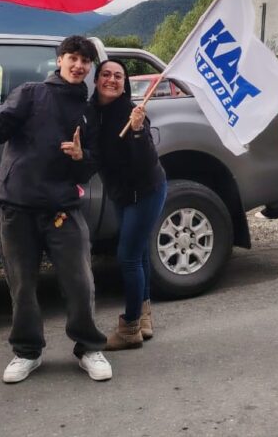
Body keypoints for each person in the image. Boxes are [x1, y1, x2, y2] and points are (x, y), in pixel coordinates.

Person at [0, 35, 112, 383]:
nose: (79, 66)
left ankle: (89, 347)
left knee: (80, 282)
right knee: (22, 286)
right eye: (73, 58)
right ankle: (26, 352)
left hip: (63, 208)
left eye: (85, 61)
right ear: (59, 60)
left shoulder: (89, 111)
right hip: (17, 205)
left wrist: (80, 156)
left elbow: (91, 165)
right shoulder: (31, 93)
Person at [91, 60, 167, 350]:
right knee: (138, 251)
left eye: (118, 76)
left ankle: (131, 327)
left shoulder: (132, 112)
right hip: (121, 194)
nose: (112, 80)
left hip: (146, 191)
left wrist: (136, 131)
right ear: (96, 80)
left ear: (124, 83)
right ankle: (145, 317)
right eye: (106, 74)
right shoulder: (92, 111)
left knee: (128, 257)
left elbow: (146, 162)